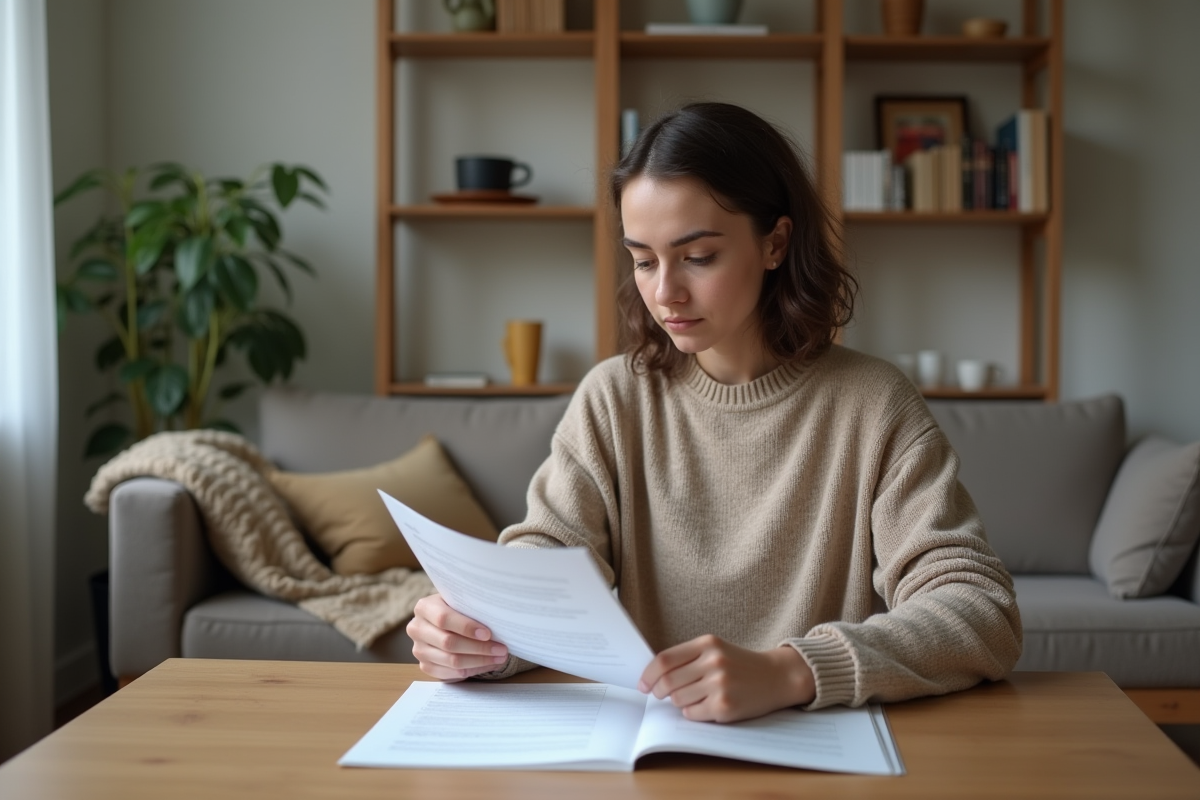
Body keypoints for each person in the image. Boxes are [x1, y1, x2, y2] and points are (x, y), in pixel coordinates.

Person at [406, 101, 1022, 723]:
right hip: (654, 749)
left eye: (698, 257)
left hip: (820, 750)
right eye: (643, 261)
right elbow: (550, 563)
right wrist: (478, 636)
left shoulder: (874, 404)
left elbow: (979, 609)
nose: (664, 292)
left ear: (775, 242)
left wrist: (794, 670)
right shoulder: (614, 397)